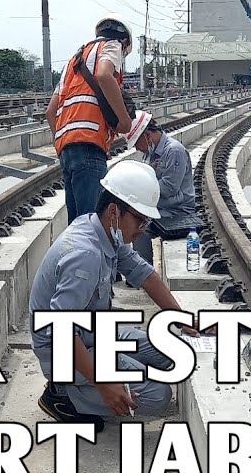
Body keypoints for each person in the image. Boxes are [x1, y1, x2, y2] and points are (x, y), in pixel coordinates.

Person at [28, 159, 202, 431]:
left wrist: (181, 319)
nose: (143, 228)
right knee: (158, 396)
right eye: (140, 220)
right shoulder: (84, 255)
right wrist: (105, 384)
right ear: (114, 211)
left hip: (94, 333)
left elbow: (145, 275)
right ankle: (64, 395)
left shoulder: (108, 232)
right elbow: (60, 331)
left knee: (171, 352)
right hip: (63, 350)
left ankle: (95, 380)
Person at [45, 14, 137, 224]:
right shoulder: (112, 46)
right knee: (89, 225)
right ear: (124, 42)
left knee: (76, 225)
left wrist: (64, 141)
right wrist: (125, 121)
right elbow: (104, 75)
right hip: (89, 145)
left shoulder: (74, 62)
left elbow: (51, 112)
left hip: (67, 149)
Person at [124, 110, 198, 268]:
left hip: (177, 211)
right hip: (161, 209)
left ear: (147, 135)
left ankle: (143, 272)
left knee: (139, 226)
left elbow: (169, 188)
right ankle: (138, 269)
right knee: (126, 219)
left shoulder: (174, 151)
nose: (138, 148)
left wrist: (140, 190)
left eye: (137, 143)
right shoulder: (150, 154)